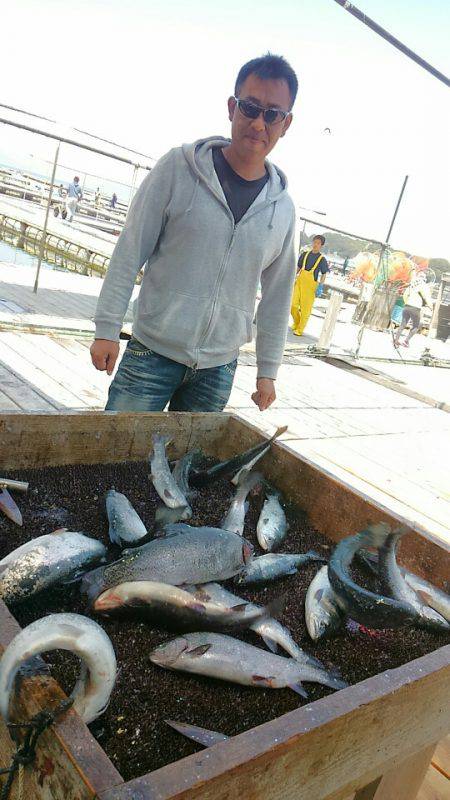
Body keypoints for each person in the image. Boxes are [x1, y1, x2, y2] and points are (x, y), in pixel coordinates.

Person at [91, 54, 297, 413]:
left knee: (189, 469)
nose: (259, 123)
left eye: (272, 113)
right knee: (118, 461)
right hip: (150, 352)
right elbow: (130, 248)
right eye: (250, 107)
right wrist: (107, 328)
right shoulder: (178, 168)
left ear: (286, 123)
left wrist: (268, 372)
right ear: (232, 108)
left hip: (218, 369)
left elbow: (278, 297)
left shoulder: (283, 209)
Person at [290, 235, 329, 336]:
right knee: (293, 305)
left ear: (321, 245)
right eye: (314, 242)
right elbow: (298, 267)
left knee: (305, 309)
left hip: (310, 287)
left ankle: (300, 329)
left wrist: (320, 286)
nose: (315, 245)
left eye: (318, 243)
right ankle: (296, 322)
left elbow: (324, 274)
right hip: (299, 283)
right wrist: (292, 277)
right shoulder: (304, 254)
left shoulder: (322, 259)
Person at [394, 274, 433, 348]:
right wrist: (431, 307)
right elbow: (427, 297)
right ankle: (406, 341)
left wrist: (406, 303)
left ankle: (396, 340)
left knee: (402, 324)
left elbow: (405, 295)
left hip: (407, 306)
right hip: (415, 308)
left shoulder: (411, 285)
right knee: (416, 326)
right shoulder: (424, 286)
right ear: (424, 280)